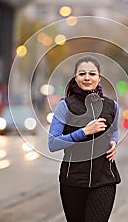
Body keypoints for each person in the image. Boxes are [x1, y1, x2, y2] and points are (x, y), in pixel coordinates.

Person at [48, 55, 121, 222]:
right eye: (82, 74)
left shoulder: (112, 106)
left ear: (99, 78)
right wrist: (84, 131)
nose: (87, 77)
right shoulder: (65, 106)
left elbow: (114, 131)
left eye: (92, 74)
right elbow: (53, 143)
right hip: (73, 180)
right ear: (76, 77)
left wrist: (114, 142)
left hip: (104, 179)